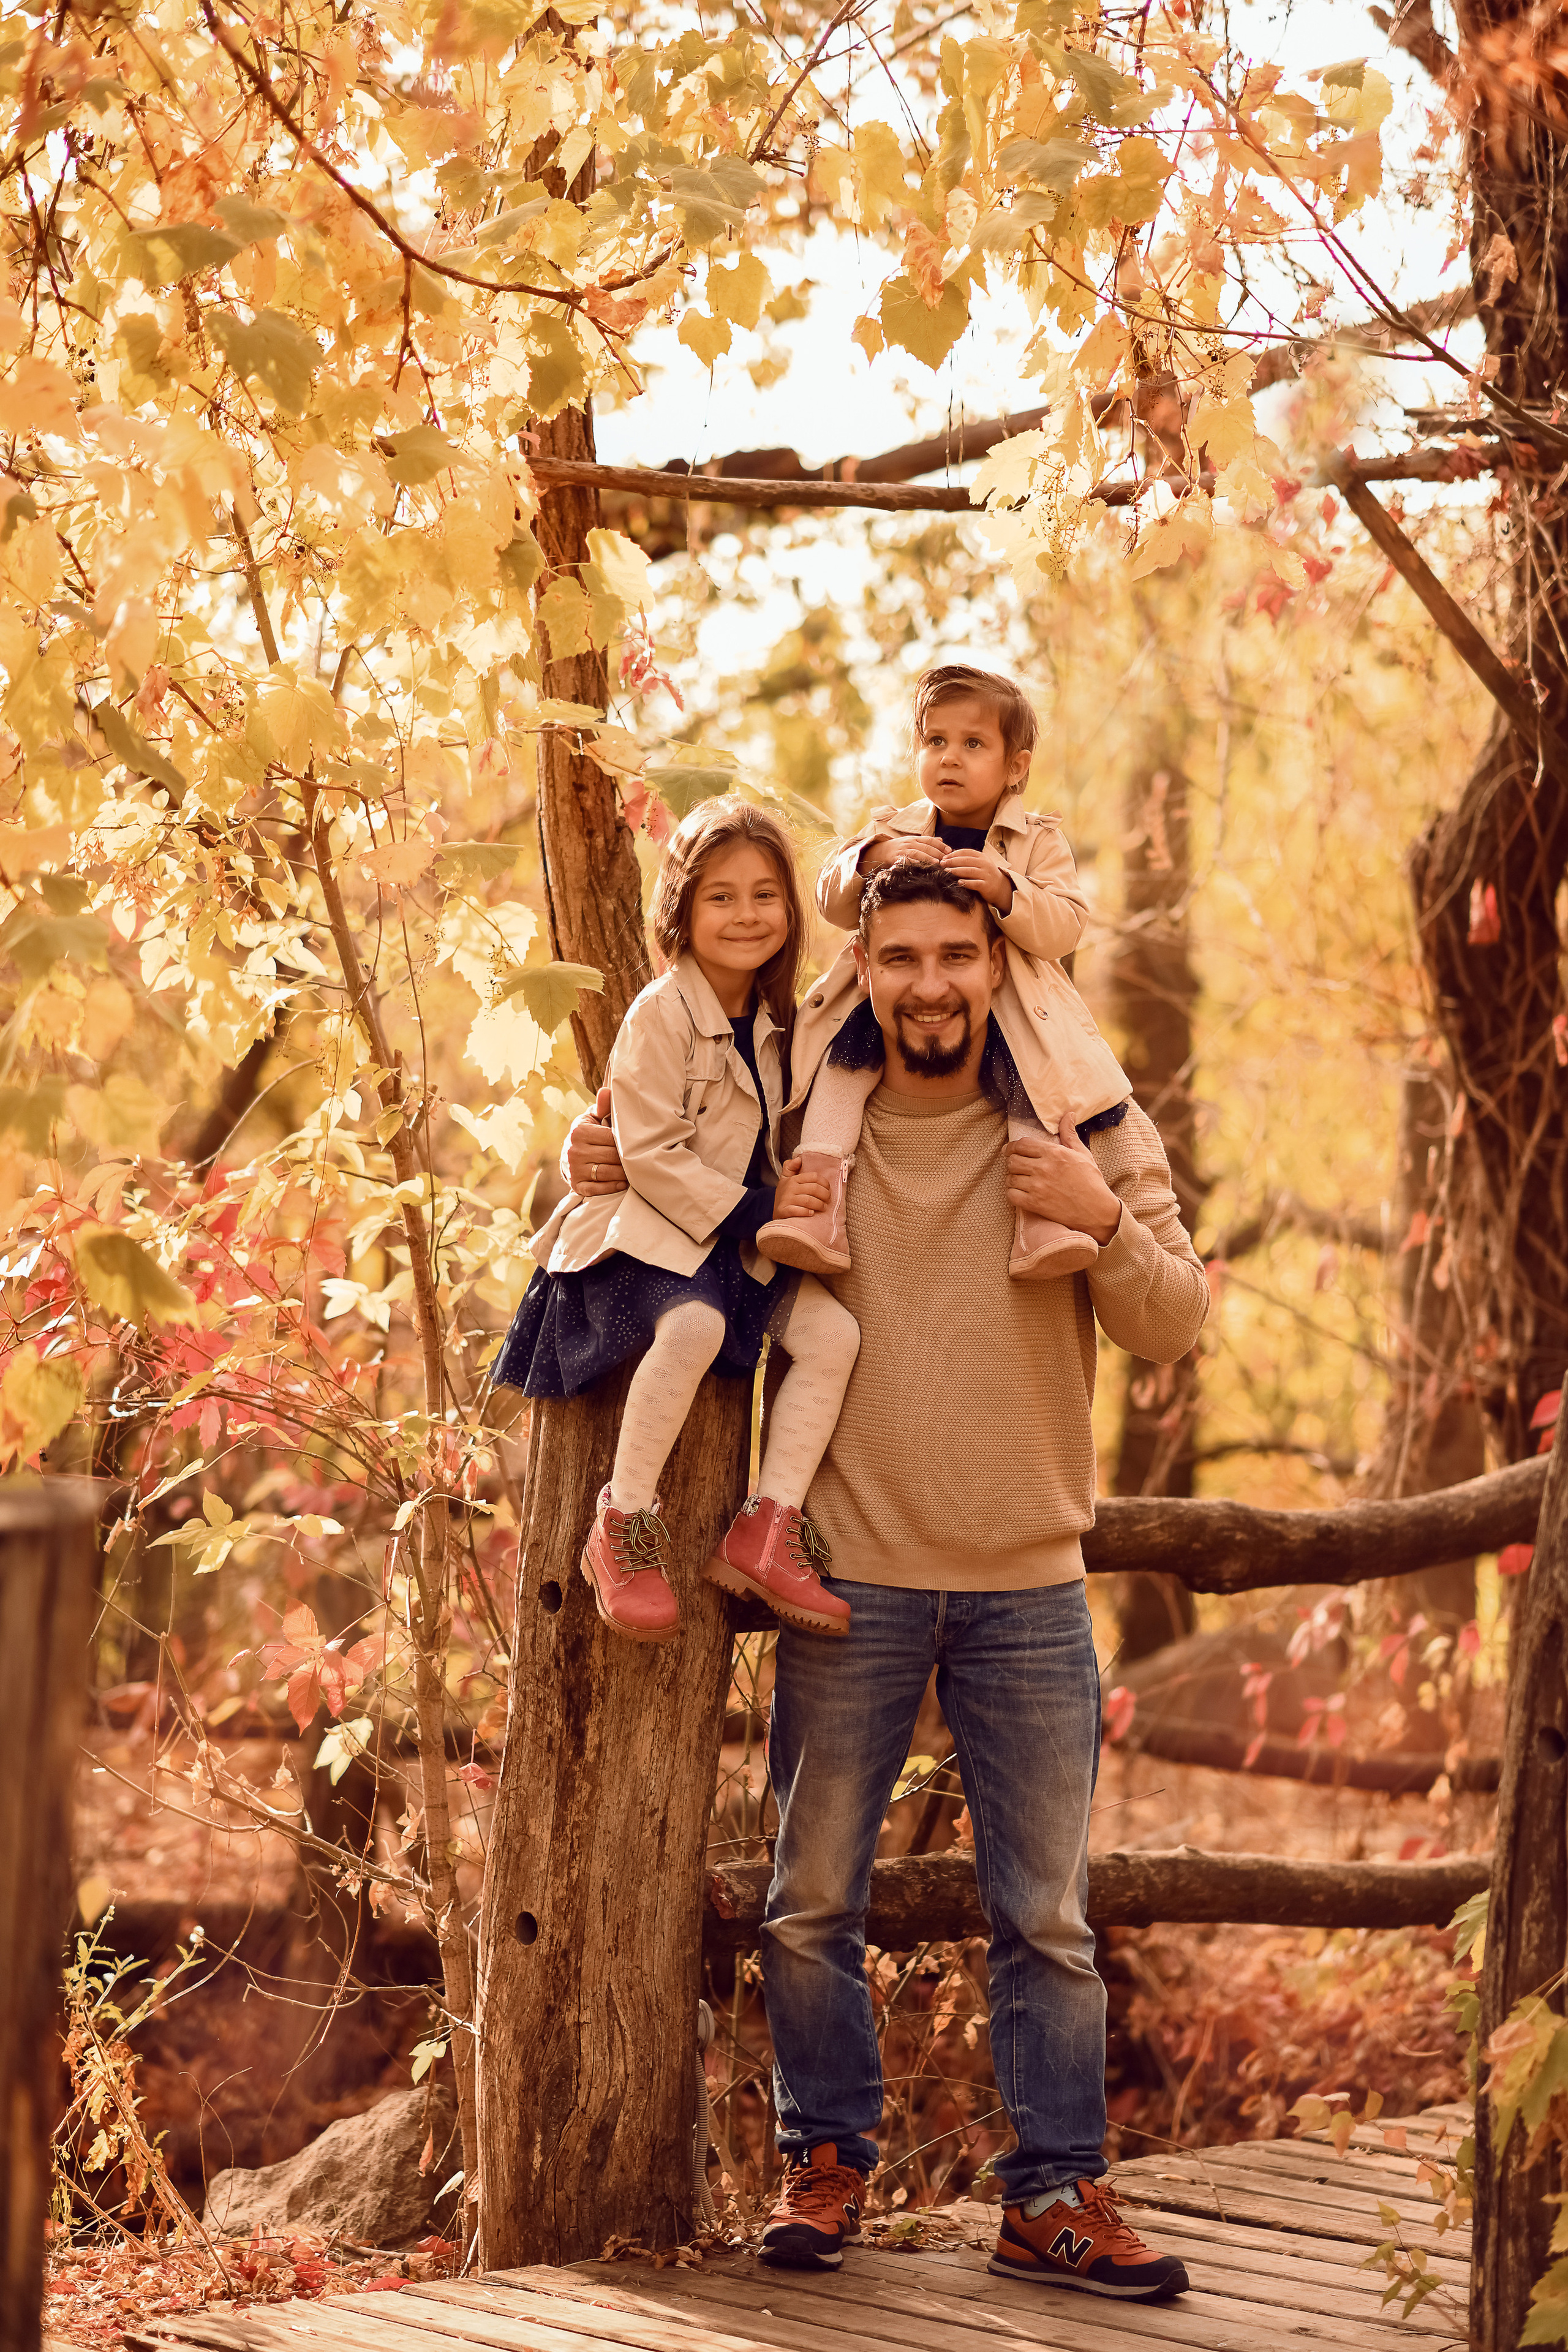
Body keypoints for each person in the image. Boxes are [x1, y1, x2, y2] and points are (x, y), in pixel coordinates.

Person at [564, 857, 1208, 2303]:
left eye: (955, 955)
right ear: (866, 963)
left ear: (998, 964)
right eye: (900, 954)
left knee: (1043, 1915)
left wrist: (1099, 1218)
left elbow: (1175, 1324)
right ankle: (824, 2160)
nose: (929, 982)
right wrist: (588, 1152)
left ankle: (1050, 2192)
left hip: (1028, 1585)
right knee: (807, 1901)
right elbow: (666, 1145)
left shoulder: (1078, 1117)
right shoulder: (805, 1114)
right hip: (844, 1574)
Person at [494, 796, 859, 1645]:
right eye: (721, 897)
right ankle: (621, 1522)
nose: (745, 915)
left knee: (834, 1338)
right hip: (653, 1235)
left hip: (733, 1242)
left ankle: (766, 1525)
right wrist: (761, 1209)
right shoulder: (659, 1015)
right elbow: (651, 1152)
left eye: (765, 895)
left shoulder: (777, 1025)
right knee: (692, 1326)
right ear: (683, 910)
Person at [755, 662, 1134, 1286]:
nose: (950, 759)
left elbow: (1065, 925)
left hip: (1008, 1015)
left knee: (1031, 1101)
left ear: (1016, 767)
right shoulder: (894, 829)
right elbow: (829, 899)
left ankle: (1041, 1225)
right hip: (883, 1007)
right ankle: (819, 1207)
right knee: (838, 1077)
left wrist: (1010, 893)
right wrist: (875, 857)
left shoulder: (1034, 844)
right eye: (935, 742)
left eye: (973, 744)